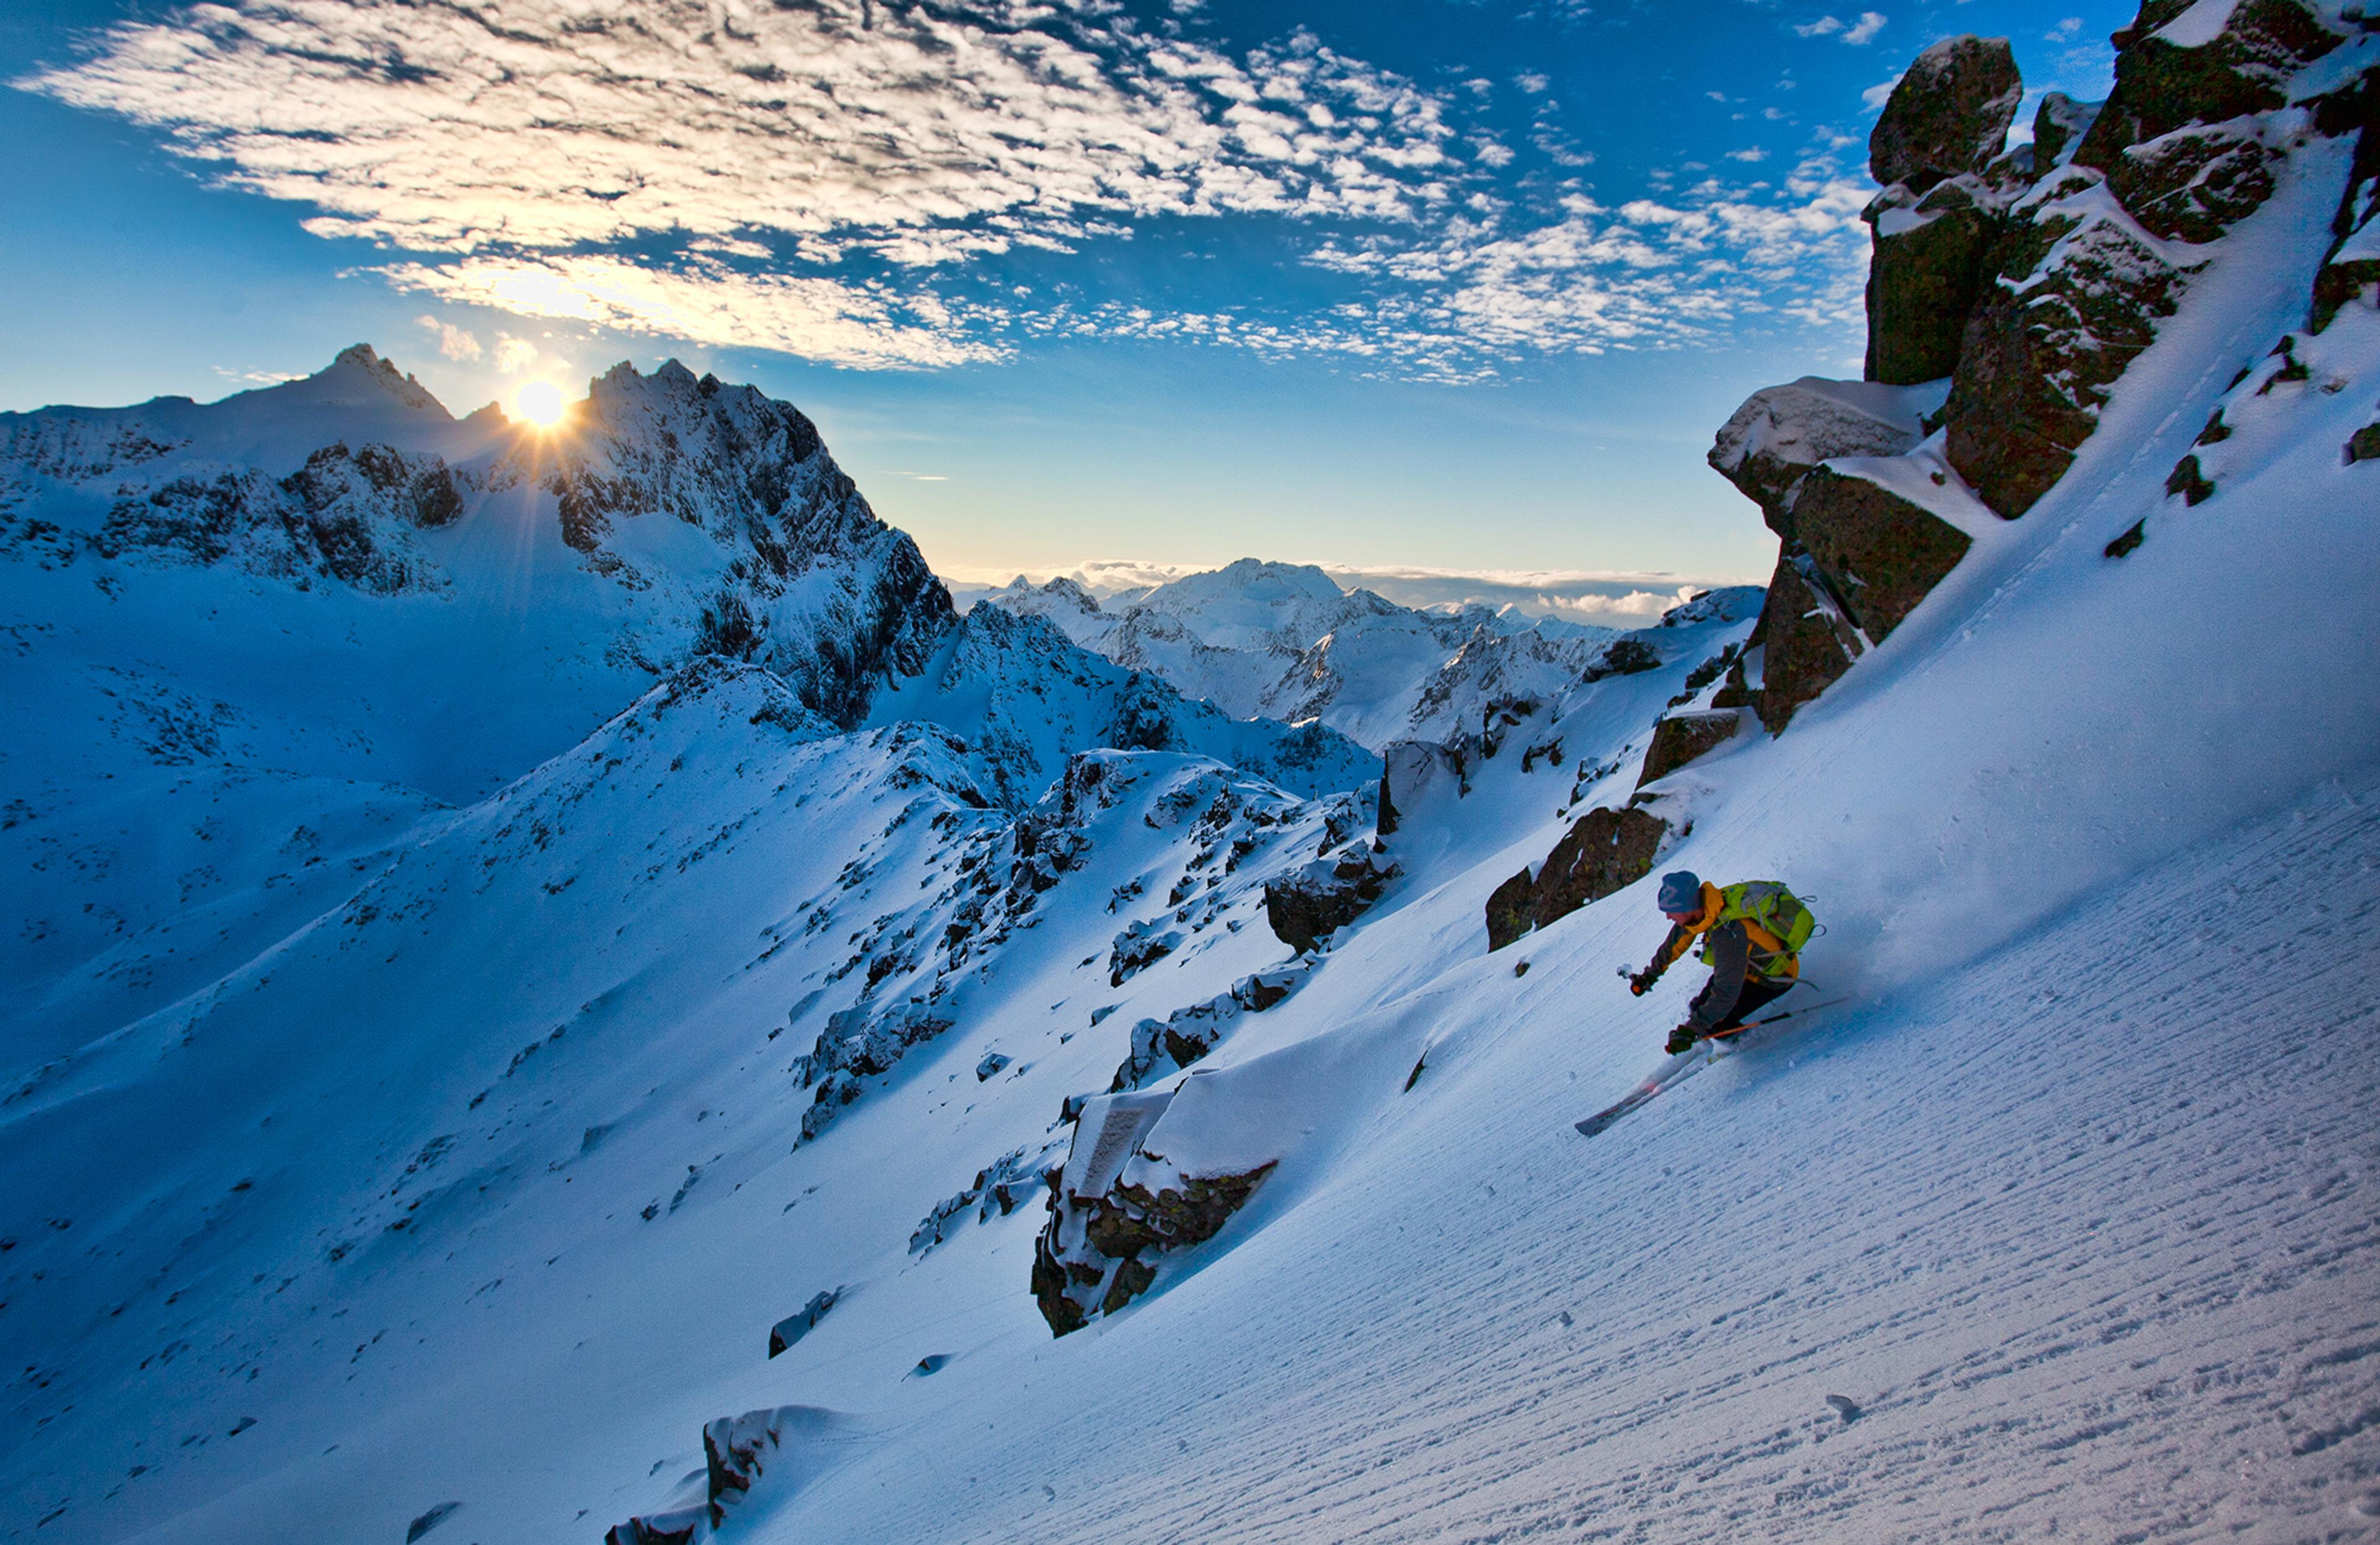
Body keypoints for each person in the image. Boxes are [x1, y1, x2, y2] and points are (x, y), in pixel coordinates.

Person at [1628, 870, 1803, 1054]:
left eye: (1671, 911)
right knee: (1699, 1009)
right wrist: (1650, 975)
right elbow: (1676, 942)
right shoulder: (1708, 908)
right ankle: (1726, 1035)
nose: (1669, 917)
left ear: (1688, 908)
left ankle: (1750, 1046)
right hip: (1746, 966)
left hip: (1772, 978)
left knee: (1715, 1023)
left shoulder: (1729, 933)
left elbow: (1726, 991)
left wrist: (1692, 1030)